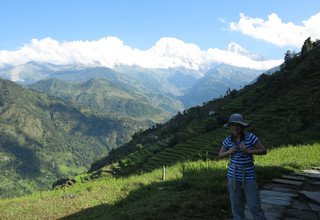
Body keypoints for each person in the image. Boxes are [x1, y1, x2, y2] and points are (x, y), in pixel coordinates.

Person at [219, 113, 267, 220]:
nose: (235, 127)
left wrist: (249, 151)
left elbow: (264, 150)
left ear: (242, 126)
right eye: (233, 125)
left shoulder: (251, 138)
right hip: (233, 176)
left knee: (254, 205)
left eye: (238, 125)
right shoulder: (228, 140)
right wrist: (229, 151)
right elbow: (220, 155)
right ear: (230, 126)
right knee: (236, 205)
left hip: (249, 176)